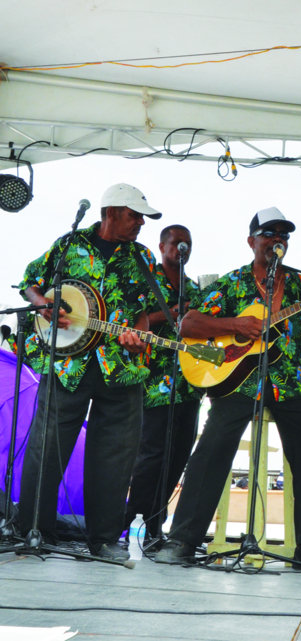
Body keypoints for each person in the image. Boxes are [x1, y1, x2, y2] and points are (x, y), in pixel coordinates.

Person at [155, 207, 301, 573]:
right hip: (239, 383)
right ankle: (183, 540)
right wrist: (235, 324)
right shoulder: (233, 284)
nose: (278, 240)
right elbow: (188, 324)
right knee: (212, 446)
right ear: (252, 241)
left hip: (290, 382)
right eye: (270, 233)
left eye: (284, 235)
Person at [18, 183, 162, 561]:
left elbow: (148, 311)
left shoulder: (143, 258)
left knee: (114, 457)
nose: (140, 224)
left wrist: (142, 336)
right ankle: (33, 531)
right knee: (46, 449)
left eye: (142, 218)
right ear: (111, 212)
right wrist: (43, 305)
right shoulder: (68, 245)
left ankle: (102, 540)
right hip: (67, 362)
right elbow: (30, 282)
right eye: (134, 216)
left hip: (120, 368)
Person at [125, 225, 203, 541]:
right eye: (176, 243)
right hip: (153, 382)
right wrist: (168, 314)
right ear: (162, 246)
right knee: (152, 454)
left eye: (188, 243)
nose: (182, 248)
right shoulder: (146, 281)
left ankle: (156, 525)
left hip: (190, 383)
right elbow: (130, 320)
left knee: (179, 454)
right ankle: (132, 520)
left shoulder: (195, 289)